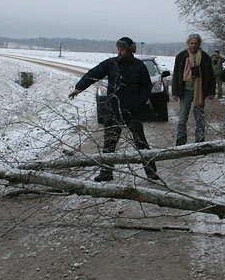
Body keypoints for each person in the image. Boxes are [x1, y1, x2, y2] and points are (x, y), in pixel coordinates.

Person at [68, 37, 159, 182]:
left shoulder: (139, 66)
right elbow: (93, 74)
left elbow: (146, 87)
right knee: (109, 142)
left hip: (132, 111)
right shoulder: (111, 64)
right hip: (113, 110)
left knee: (141, 141)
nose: (119, 51)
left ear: (130, 50)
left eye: (122, 49)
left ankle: (150, 171)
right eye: (118, 48)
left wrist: (139, 102)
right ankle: (106, 172)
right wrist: (79, 88)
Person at [171, 33, 215, 146]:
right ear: (188, 43)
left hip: (199, 91)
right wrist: (175, 92)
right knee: (182, 117)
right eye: (191, 43)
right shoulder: (181, 56)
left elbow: (211, 74)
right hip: (185, 90)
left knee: (199, 117)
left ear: (199, 44)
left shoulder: (205, 57)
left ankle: (200, 141)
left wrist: (211, 91)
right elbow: (176, 75)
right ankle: (180, 141)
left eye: (196, 43)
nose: (193, 45)